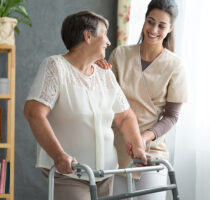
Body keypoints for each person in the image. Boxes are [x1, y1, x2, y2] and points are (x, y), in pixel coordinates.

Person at [23, 11, 147, 200]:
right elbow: (33, 113)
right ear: (88, 36)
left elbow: (125, 117)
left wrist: (137, 146)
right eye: (104, 34)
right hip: (70, 173)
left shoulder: (104, 74)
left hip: (106, 173)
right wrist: (58, 155)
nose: (108, 41)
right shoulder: (55, 67)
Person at [97, 0, 188, 199]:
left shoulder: (175, 65)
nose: (154, 29)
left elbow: (171, 116)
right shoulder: (121, 55)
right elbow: (106, 100)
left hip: (151, 153)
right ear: (145, 20)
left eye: (162, 25)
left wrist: (143, 137)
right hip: (118, 151)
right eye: (150, 21)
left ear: (170, 28)